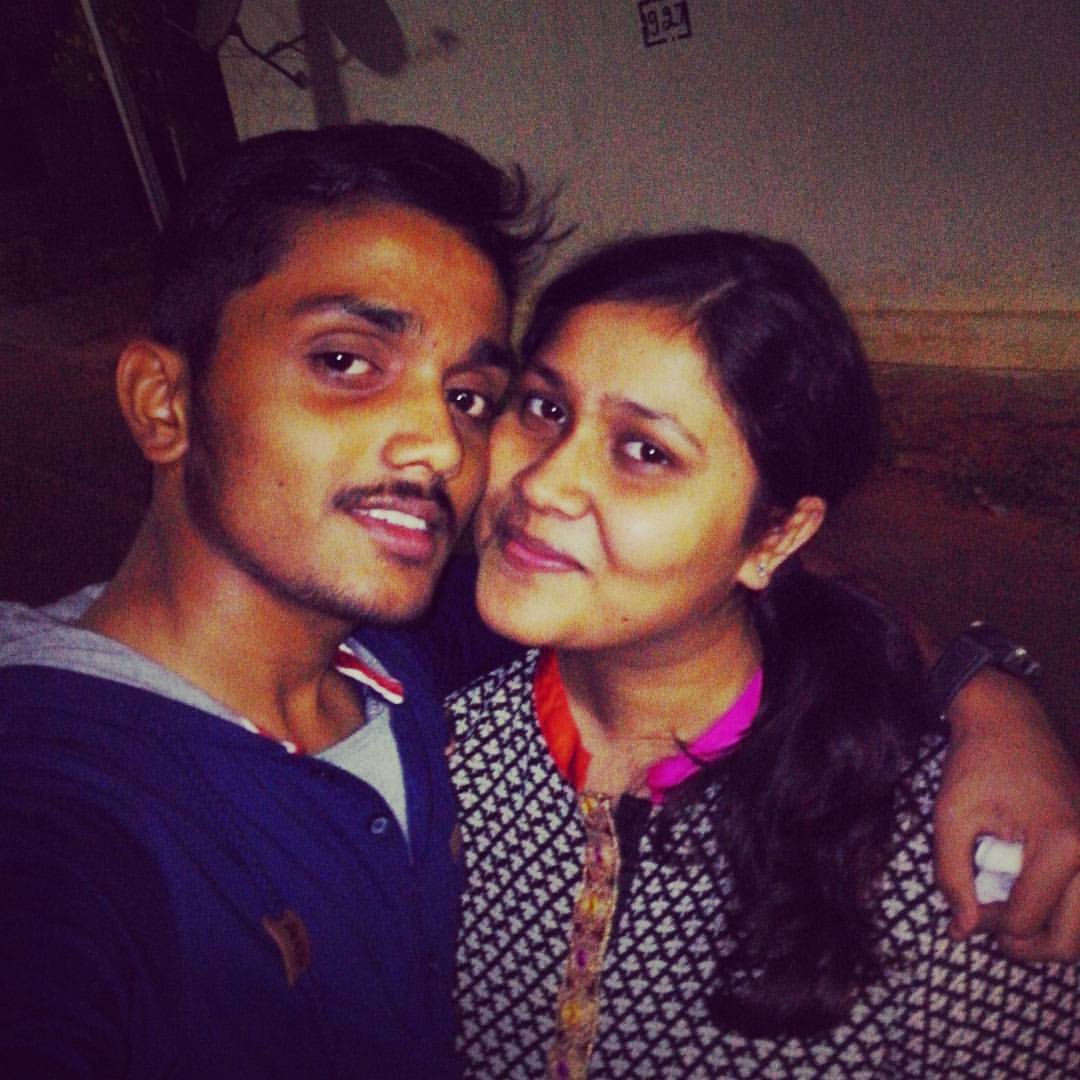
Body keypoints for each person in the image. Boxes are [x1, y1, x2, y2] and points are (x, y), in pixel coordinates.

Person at [0, 124, 1075, 1075]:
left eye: (472, 396)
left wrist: (985, 696)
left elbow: (800, 604)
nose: (452, 450)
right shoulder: (70, 813)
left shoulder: (941, 848)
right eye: (346, 360)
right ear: (164, 400)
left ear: (776, 536)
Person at [449, 231, 1080, 1077]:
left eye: (646, 452)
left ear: (776, 537)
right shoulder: (424, 754)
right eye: (543, 408)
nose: (543, 482)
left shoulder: (939, 845)